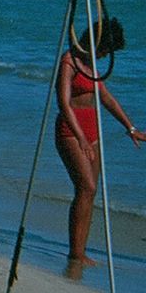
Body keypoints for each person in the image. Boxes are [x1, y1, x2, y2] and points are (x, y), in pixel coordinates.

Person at [53, 17, 145, 276]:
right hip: (71, 131)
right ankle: (76, 253)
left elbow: (105, 98)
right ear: (97, 43)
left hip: (92, 132)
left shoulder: (93, 67)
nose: (105, 56)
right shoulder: (69, 60)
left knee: (89, 193)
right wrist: (80, 137)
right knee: (86, 186)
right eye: (105, 51)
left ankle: (79, 251)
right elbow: (63, 102)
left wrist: (130, 128)